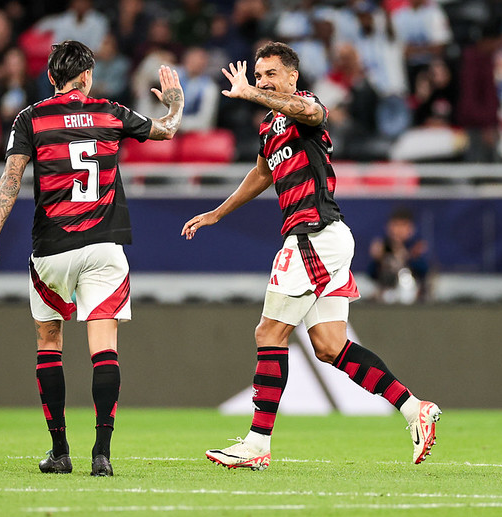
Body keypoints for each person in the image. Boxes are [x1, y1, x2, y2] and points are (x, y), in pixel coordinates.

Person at [181, 42, 440, 471]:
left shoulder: (306, 105)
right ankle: (415, 409)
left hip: (313, 235)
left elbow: (313, 116)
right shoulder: (269, 126)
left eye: (271, 75)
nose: (263, 81)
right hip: (328, 238)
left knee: (268, 333)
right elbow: (261, 173)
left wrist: (253, 94)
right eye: (258, 75)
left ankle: (257, 443)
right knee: (329, 345)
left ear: (292, 78)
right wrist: (215, 213)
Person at [0, 40, 184, 477]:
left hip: (52, 248)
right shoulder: (110, 112)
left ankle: (60, 451)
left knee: (49, 343)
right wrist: (176, 100)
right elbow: (166, 130)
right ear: (87, 76)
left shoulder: (30, 118)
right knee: (103, 348)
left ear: (52, 77)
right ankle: (101, 454)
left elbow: (10, 181)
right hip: (104, 246)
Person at [368, 208, 430, 303]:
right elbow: (371, 274)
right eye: (396, 225)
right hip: (387, 295)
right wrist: (378, 260)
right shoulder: (384, 246)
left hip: (413, 295)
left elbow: (424, 271)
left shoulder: (416, 246)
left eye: (403, 225)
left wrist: (409, 257)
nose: (399, 230)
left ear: (411, 228)